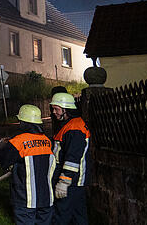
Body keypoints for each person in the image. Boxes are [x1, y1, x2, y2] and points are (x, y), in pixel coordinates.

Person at [1, 104, 55, 225]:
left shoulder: (18, 141)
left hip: (25, 199)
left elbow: (4, 162)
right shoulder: (47, 141)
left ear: (24, 123)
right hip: (46, 198)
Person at [49, 92, 90, 225]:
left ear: (66, 109)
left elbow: (72, 159)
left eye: (57, 109)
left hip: (71, 181)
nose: (54, 112)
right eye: (53, 108)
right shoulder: (70, 125)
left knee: (61, 215)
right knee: (78, 216)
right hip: (75, 182)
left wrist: (64, 182)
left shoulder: (74, 128)